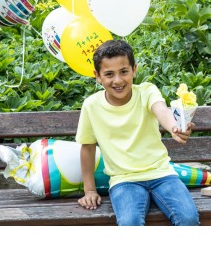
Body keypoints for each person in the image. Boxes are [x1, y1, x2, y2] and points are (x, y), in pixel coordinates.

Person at [76, 39, 199, 226]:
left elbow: (162, 111)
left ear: (134, 69)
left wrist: (175, 128)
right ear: (97, 76)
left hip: (162, 173)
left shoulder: (147, 92)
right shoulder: (91, 105)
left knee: (188, 218)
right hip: (124, 180)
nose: (118, 80)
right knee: (129, 223)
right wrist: (90, 190)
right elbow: (87, 147)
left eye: (124, 72)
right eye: (109, 74)